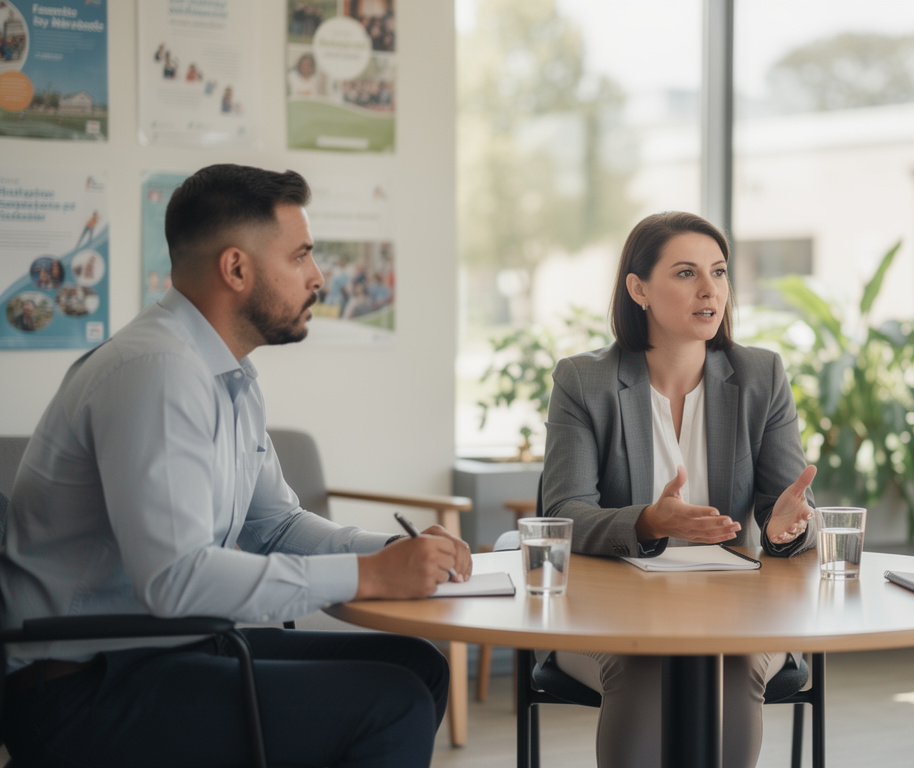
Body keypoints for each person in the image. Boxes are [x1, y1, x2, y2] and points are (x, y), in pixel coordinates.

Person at [0, 163, 473, 768]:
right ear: (236, 268)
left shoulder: (227, 376)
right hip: (79, 686)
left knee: (415, 666)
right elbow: (176, 580)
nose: (319, 278)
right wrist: (369, 578)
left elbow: (273, 526)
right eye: (300, 256)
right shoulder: (156, 373)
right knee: (392, 702)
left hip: (166, 651)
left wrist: (385, 555)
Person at [540, 210, 818, 768]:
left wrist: (790, 529)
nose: (710, 289)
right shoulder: (583, 381)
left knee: (732, 662)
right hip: (608, 614)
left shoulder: (760, 376)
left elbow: (785, 518)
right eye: (687, 273)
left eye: (719, 272)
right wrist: (649, 523)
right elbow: (564, 514)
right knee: (641, 665)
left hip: (738, 613)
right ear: (638, 288)